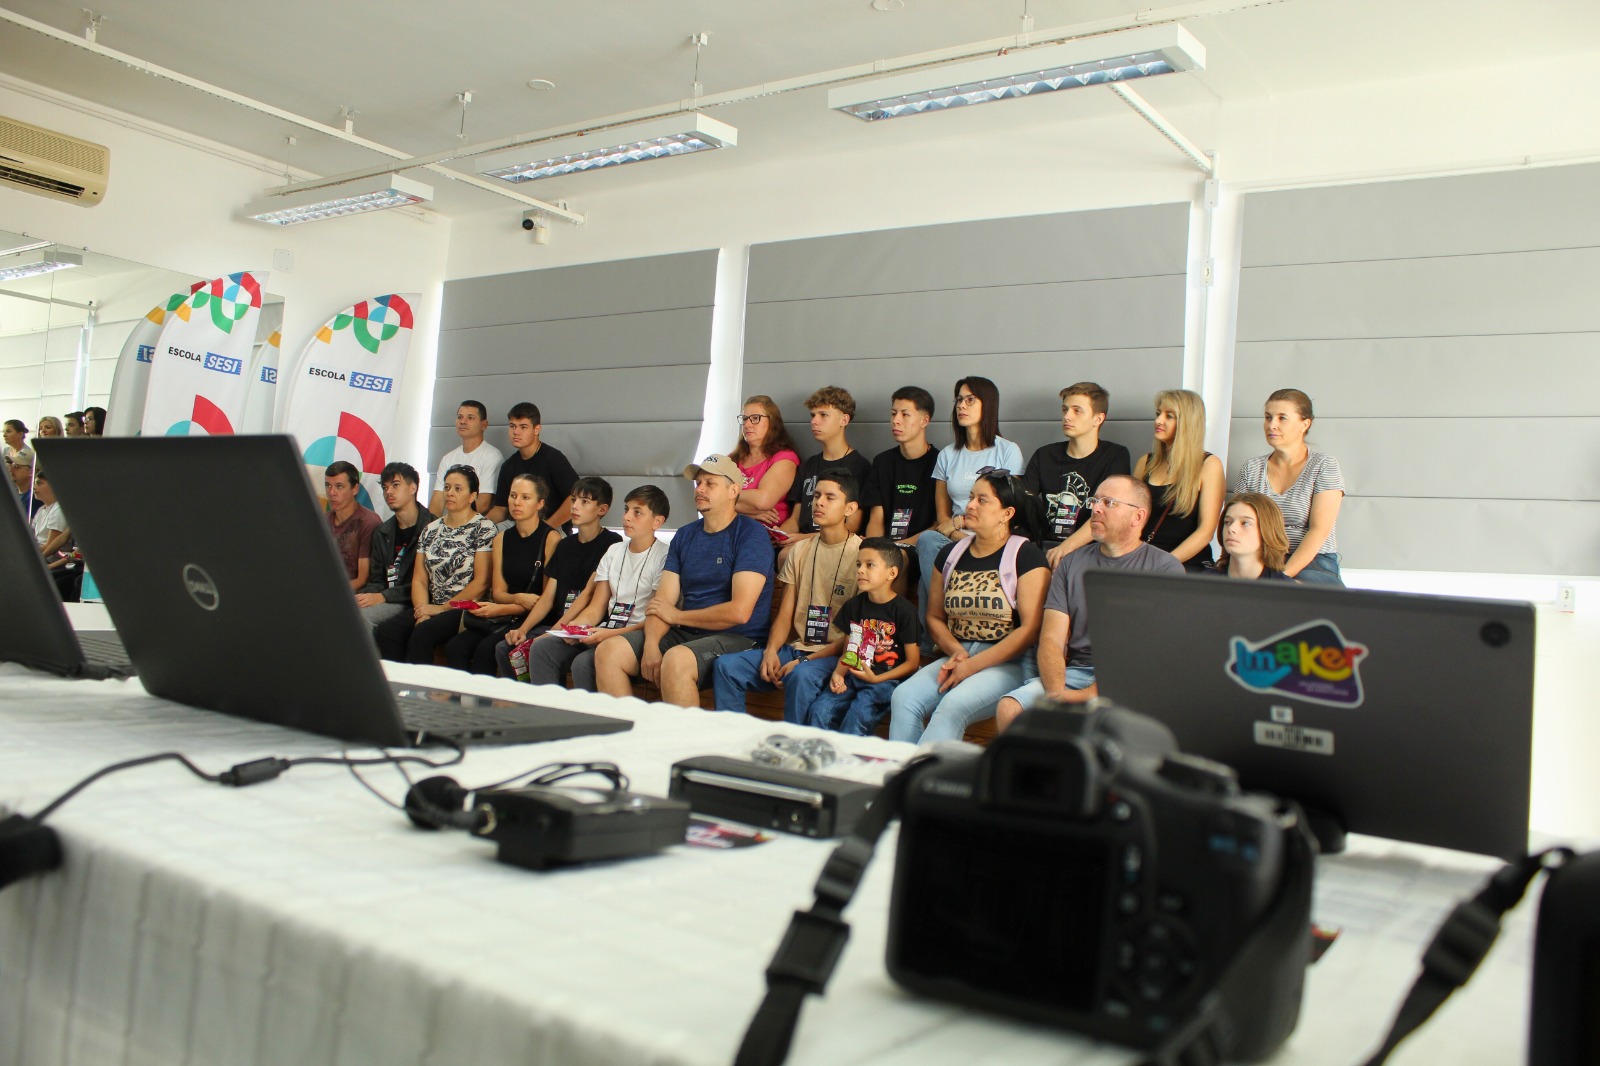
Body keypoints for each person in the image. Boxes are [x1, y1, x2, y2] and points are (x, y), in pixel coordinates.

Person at [994, 475, 1184, 731]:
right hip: (1076, 673)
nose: (1095, 508)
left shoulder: (1165, 568)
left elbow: (1151, 653)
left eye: (1108, 502)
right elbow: (1051, 640)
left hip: (1134, 680)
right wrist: (1057, 694)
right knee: (1010, 708)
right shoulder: (1071, 563)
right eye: (1094, 501)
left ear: (1138, 517)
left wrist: (1088, 695)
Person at [594, 454, 774, 708]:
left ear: (733, 490)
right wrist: (652, 645)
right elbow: (662, 603)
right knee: (609, 652)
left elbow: (739, 612)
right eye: (698, 483)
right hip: (689, 634)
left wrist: (677, 616)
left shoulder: (751, 535)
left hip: (741, 639)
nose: (700, 489)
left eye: (710, 483)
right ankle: (631, 731)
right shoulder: (685, 535)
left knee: (677, 660)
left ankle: (684, 736)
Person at [889, 470, 1048, 744]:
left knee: (952, 706)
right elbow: (934, 617)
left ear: (1007, 513)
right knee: (903, 697)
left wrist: (972, 665)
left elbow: (1030, 629)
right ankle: (903, 768)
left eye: (982, 500)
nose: (970, 505)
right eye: (971, 497)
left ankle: (926, 771)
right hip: (959, 652)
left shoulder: (1026, 556)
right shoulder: (950, 554)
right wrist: (958, 653)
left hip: (1009, 662)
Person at [711, 470, 862, 720]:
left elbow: (855, 635)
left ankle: (795, 745)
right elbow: (784, 614)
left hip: (835, 655)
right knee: (726, 667)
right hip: (797, 649)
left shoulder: (862, 555)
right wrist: (771, 651)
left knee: (800, 675)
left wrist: (805, 662)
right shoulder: (799, 551)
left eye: (830, 497)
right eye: (816, 496)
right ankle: (733, 739)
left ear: (850, 508)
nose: (819, 502)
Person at [518, 485, 671, 691]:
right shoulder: (614, 551)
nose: (627, 517)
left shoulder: (665, 556)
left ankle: (589, 712)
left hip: (638, 633)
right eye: (626, 509)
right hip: (606, 628)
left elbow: (656, 618)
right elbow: (596, 607)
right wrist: (576, 628)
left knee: (583, 663)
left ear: (657, 521)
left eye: (637, 512)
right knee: (542, 647)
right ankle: (548, 709)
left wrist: (607, 634)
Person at [484, 477, 621, 676]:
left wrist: (552, 633)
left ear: (602, 509)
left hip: (584, 626)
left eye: (584, 502)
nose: (575, 506)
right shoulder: (565, 545)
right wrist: (523, 629)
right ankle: (520, 695)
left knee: (540, 647)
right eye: (573, 500)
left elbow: (588, 595)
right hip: (557, 623)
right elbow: (548, 596)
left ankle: (545, 694)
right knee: (504, 647)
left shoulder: (611, 543)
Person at [914, 377, 1025, 605]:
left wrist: (962, 526)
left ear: (988, 405)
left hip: (994, 537)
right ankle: (940, 616)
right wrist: (959, 534)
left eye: (970, 400)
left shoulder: (1007, 451)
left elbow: (1010, 506)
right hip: (954, 536)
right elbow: (943, 517)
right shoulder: (947, 455)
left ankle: (938, 619)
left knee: (927, 580)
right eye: (959, 400)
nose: (961, 406)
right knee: (927, 540)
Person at [373, 465, 497, 663]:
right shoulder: (431, 529)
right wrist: (422, 610)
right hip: (432, 604)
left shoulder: (484, 528)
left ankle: (420, 684)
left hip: (466, 608)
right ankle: (394, 683)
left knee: (422, 634)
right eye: (447, 487)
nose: (450, 493)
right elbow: (420, 580)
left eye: (458, 488)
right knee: (387, 631)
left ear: (472, 496)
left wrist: (443, 608)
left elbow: (482, 582)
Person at [445, 473, 562, 673]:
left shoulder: (551, 538)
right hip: (503, 614)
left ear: (540, 503)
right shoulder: (501, 538)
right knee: (455, 646)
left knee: (486, 649)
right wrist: (517, 599)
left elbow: (543, 600)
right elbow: (499, 593)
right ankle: (457, 695)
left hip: (533, 618)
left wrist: (502, 608)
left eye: (525, 497)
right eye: (513, 496)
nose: (517, 502)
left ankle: (486, 694)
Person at [805, 538, 922, 735]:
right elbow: (849, 651)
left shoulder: (905, 611)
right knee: (819, 711)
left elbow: (912, 662)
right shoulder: (854, 606)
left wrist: (877, 679)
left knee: (856, 718)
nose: (860, 570)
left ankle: (849, 755)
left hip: (885, 681)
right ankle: (820, 753)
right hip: (854, 675)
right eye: (858, 564)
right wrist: (838, 674)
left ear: (892, 573)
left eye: (870, 565)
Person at [1230, 388, 1346, 585]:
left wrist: (1280, 578)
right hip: (1261, 559)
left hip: (1313, 563)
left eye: (1282, 418)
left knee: (1293, 594)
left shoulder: (1324, 465)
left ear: (1304, 424)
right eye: (1268, 417)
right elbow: (1237, 523)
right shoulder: (1251, 468)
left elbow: (1319, 531)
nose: (1272, 425)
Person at [1022, 382, 1131, 567]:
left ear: (1098, 418)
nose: (1067, 416)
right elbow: (1024, 503)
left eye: (1077, 410)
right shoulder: (1044, 455)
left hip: (1092, 550)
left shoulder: (1115, 455)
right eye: (1065, 409)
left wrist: (1066, 547)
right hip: (1045, 547)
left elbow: (1107, 512)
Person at [1132, 389, 1225, 572]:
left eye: (1169, 416)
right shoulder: (1145, 462)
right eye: (1158, 414)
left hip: (1186, 563)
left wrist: (1164, 564)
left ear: (1187, 423)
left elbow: (1205, 532)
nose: (1158, 421)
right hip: (1142, 560)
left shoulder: (1209, 465)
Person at [778, 386, 872, 546]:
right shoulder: (808, 465)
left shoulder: (859, 466)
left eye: (823, 415)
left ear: (844, 420)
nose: (814, 421)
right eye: (813, 415)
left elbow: (852, 526)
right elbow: (795, 519)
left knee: (786, 555)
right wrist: (781, 534)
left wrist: (803, 539)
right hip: (801, 542)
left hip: (835, 545)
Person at [354, 462, 438, 628]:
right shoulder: (382, 532)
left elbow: (428, 584)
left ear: (413, 488)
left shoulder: (433, 528)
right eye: (385, 488)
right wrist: (362, 596)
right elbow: (378, 580)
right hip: (387, 598)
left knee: (359, 618)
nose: (389, 492)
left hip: (416, 601)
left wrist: (384, 596)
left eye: (395, 485)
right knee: (343, 609)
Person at [863, 386, 939, 563]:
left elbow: (939, 524)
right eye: (893, 414)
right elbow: (876, 519)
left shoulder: (940, 462)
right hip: (886, 549)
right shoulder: (882, 462)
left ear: (924, 421)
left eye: (905, 415)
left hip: (921, 547)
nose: (896, 420)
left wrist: (898, 547)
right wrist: (874, 548)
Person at [486, 402, 578, 528]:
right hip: (517, 525)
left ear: (537, 429)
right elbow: (501, 509)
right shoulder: (508, 466)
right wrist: (480, 524)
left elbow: (575, 498)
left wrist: (546, 528)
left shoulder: (553, 458)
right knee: (488, 535)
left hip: (551, 525)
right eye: (512, 426)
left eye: (523, 427)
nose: (516, 432)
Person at [729, 395, 800, 526]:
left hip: (765, 533)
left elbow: (763, 501)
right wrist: (748, 513)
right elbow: (708, 499)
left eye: (755, 418)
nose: (747, 424)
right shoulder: (731, 459)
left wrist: (724, 498)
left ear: (772, 422)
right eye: (744, 419)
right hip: (731, 528)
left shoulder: (785, 458)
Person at [428, 401, 502, 517]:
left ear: (484, 425)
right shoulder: (448, 458)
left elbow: (483, 503)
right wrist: (433, 525)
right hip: (448, 522)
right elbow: (437, 502)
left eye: (470, 418)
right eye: (460, 417)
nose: (463, 421)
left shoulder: (492, 456)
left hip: (473, 523)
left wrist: (457, 522)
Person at [324, 460, 381, 591]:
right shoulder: (322, 520)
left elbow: (362, 579)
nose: (331, 492)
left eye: (339, 486)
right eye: (328, 485)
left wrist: (328, 592)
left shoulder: (369, 522)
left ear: (355, 489)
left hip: (350, 595)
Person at [1209, 493, 1294, 581]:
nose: (1231, 528)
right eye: (1227, 522)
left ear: (1267, 531)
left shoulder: (1285, 587)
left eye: (1245, 523)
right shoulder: (1205, 582)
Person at [29, 468, 78, 601]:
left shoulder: (59, 510)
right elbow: (60, 538)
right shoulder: (41, 510)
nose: (35, 487)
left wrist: (38, 560)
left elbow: (54, 544)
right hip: (47, 558)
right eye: (35, 483)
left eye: (39, 483)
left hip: (59, 561)